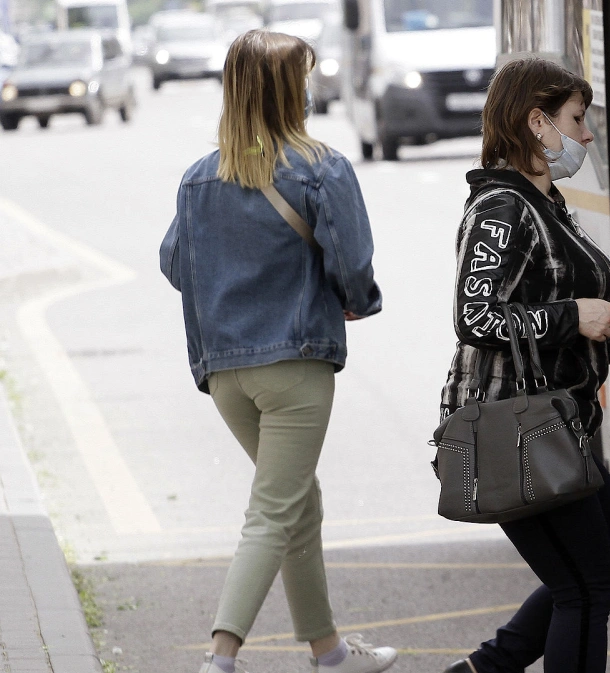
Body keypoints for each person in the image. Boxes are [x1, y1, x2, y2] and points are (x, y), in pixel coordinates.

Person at [159, 29, 396, 673]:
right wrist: (357, 299)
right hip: (295, 364)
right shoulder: (321, 166)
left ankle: (331, 653)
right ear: (293, 91)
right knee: (273, 510)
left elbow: (175, 262)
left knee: (297, 502)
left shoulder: (200, 177)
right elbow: (353, 259)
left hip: (226, 373)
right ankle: (220, 657)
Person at [438, 58, 610, 673]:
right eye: (578, 120)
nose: (588, 135)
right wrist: (573, 317)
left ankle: (483, 670)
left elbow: (559, 300)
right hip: (515, 426)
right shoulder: (502, 209)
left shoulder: (544, 201)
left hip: (557, 424)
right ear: (537, 122)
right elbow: (478, 318)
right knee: (588, 586)